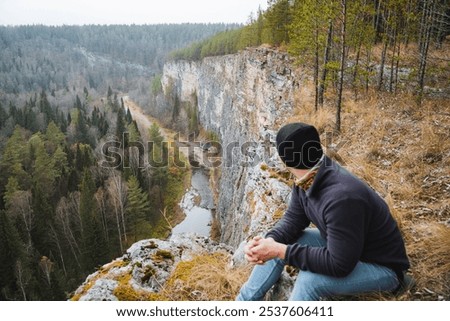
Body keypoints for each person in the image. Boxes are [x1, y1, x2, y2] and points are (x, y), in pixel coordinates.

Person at [236, 122, 411, 301]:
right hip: (347, 247)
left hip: (381, 267)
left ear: (286, 160)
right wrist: (269, 242)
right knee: (280, 241)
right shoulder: (311, 174)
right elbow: (294, 219)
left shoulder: (342, 198)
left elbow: (339, 264)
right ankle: (243, 303)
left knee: (310, 281)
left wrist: (280, 251)